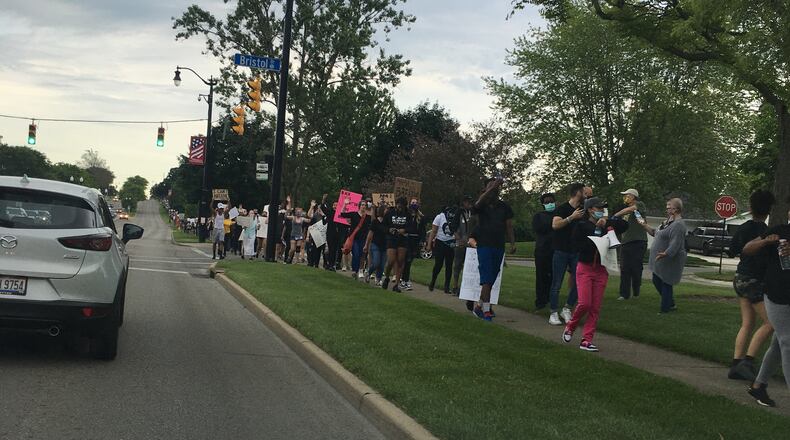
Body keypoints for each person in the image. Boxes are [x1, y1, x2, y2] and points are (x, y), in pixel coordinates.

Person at [563, 197, 628, 352]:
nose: (601, 211)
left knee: (595, 307)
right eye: (598, 208)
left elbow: (625, 225)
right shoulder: (581, 226)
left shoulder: (608, 224)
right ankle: (571, 325)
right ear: (590, 209)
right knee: (585, 303)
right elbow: (578, 246)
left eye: (602, 209)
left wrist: (609, 222)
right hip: (585, 268)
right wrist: (598, 231)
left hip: (601, 270)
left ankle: (586, 339)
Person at [744, 205, 790, 407]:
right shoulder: (780, 231)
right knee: (788, 342)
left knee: (778, 344)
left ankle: (758, 386)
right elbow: (747, 248)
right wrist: (764, 241)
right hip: (777, 294)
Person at [727, 190, 776, 381]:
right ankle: (747, 362)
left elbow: (732, 250)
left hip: (740, 277)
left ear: (750, 207)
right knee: (770, 323)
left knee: (748, 323)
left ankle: (735, 364)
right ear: (769, 209)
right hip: (753, 281)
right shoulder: (765, 232)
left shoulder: (743, 227)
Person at [469, 177, 516, 321]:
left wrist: (512, 243)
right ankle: (486, 310)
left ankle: (479, 306)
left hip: (498, 245)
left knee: (493, 277)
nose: (494, 189)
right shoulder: (482, 205)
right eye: (491, 187)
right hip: (484, 245)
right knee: (487, 277)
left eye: (496, 188)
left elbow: (508, 225)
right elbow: (476, 205)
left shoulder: (504, 206)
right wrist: (491, 188)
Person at [639, 198, 688, 314]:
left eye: (669, 207)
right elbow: (655, 233)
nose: (666, 209)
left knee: (666, 282)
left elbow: (675, 243)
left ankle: (665, 309)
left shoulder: (678, 225)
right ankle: (670, 303)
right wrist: (644, 225)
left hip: (670, 259)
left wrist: (666, 253)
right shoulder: (667, 222)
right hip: (661, 259)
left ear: (676, 209)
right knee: (657, 280)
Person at [548, 183, 586, 325]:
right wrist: (571, 217)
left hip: (576, 251)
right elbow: (555, 225)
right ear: (577, 193)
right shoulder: (562, 208)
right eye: (584, 192)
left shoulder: (583, 210)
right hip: (561, 251)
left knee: (579, 282)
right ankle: (553, 312)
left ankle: (567, 308)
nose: (586, 195)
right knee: (557, 282)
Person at [614, 188, 648, 300]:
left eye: (627, 195)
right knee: (624, 268)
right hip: (626, 243)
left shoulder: (640, 204)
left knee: (635, 267)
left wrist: (615, 215)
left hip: (638, 241)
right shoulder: (626, 211)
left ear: (633, 197)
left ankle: (636, 291)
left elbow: (631, 210)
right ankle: (624, 294)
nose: (625, 198)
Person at [382, 197, 414, 292]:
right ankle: (387, 277)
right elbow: (384, 225)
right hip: (392, 239)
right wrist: (389, 229)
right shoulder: (390, 213)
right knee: (391, 260)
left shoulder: (408, 215)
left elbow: (411, 227)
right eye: (398, 205)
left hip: (402, 239)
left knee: (400, 261)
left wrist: (404, 230)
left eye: (401, 206)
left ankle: (396, 284)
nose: (399, 208)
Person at [427, 204, 458, 294]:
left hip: (451, 243)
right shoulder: (439, 217)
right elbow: (433, 231)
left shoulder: (455, 217)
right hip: (440, 242)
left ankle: (446, 286)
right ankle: (433, 280)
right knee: (438, 264)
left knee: (449, 265)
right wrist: (429, 244)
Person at [532, 193, 556, 310]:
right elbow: (539, 229)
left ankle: (551, 298)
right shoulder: (539, 216)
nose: (550, 204)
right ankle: (541, 300)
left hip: (556, 249)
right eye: (547, 202)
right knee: (541, 275)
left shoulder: (559, 215)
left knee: (553, 276)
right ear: (543, 204)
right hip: (542, 250)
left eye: (551, 201)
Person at [340, 197, 371, 280]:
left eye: (365, 205)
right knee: (356, 254)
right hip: (354, 238)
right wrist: (345, 204)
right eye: (362, 205)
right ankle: (354, 270)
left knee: (361, 255)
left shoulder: (368, 217)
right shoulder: (354, 214)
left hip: (363, 239)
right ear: (359, 206)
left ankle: (359, 270)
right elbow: (342, 214)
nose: (364, 206)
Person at [400, 197, 426, 291]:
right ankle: (405, 280)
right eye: (412, 202)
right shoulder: (407, 215)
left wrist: (423, 241)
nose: (414, 204)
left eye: (415, 202)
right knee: (407, 259)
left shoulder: (421, 217)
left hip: (415, 240)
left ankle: (404, 279)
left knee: (409, 261)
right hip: (407, 239)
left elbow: (422, 230)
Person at [451, 196, 474, 296]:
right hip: (460, 243)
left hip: (471, 244)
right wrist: (458, 239)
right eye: (467, 202)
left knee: (469, 267)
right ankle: (455, 286)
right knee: (457, 265)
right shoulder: (459, 213)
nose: (469, 204)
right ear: (464, 202)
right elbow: (453, 227)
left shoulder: (473, 213)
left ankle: (466, 287)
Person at [364, 205, 388, 285]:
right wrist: (366, 245)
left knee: (382, 264)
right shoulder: (375, 222)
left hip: (385, 245)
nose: (387, 211)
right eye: (385, 210)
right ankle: (368, 273)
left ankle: (378, 278)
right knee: (376, 262)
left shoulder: (387, 222)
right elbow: (370, 233)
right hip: (375, 244)